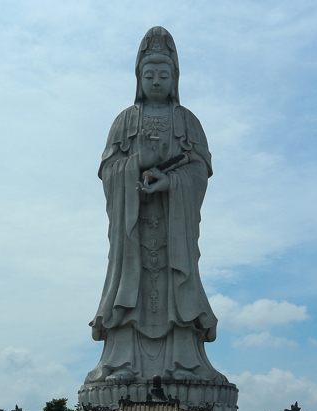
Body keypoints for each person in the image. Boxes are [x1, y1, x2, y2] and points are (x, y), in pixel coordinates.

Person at [85, 26, 225, 385]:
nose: (157, 81)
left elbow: (199, 170)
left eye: (164, 74)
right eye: (149, 74)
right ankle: (121, 363)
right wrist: (135, 164)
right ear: (139, 77)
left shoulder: (187, 121)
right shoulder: (125, 121)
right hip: (133, 230)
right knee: (129, 288)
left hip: (172, 228)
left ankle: (186, 364)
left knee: (177, 288)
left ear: (175, 77)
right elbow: (107, 170)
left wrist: (172, 182)